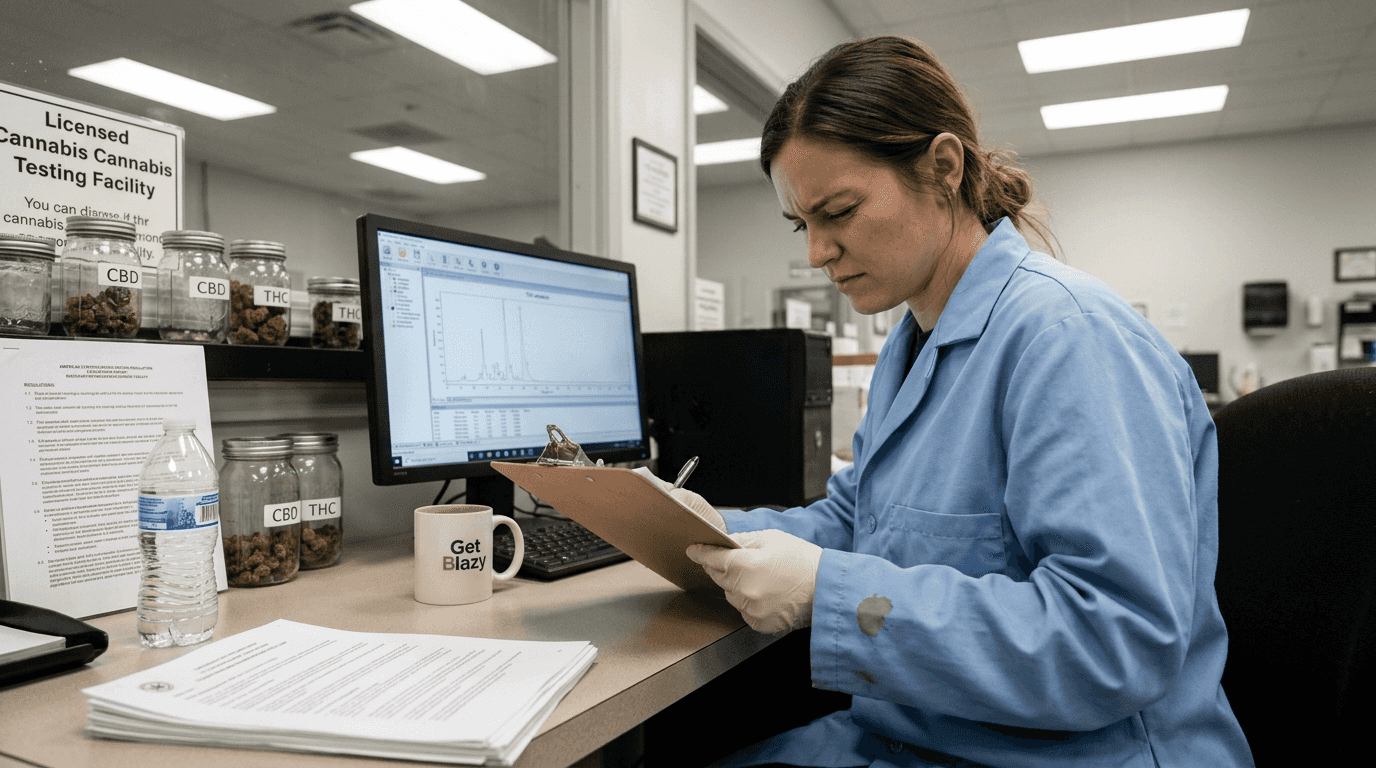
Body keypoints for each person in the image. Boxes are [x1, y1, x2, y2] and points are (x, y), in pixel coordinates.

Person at [673, 35, 1255, 767]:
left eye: (839, 212)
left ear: (943, 168)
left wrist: (830, 593)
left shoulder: (1068, 337)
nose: (817, 252)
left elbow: (1114, 642)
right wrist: (698, 527)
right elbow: (857, 519)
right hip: (924, 734)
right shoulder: (913, 343)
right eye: (803, 225)